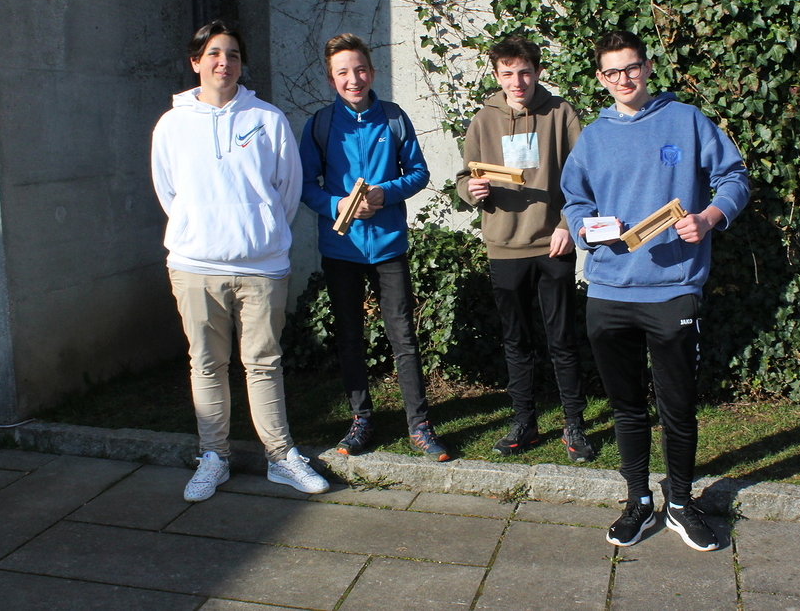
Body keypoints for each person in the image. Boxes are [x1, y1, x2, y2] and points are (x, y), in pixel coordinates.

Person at [561, 30, 749, 551]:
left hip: (673, 290)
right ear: (600, 77)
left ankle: (681, 503)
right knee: (626, 407)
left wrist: (709, 217)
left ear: (647, 68)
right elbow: (574, 201)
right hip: (608, 291)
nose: (623, 79)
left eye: (632, 67)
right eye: (612, 72)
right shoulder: (593, 136)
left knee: (678, 406)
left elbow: (734, 178)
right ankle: (639, 500)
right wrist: (586, 228)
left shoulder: (686, 121)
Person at [151, 20, 329, 502]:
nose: (223, 62)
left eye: (232, 54)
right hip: (195, 265)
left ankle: (281, 457)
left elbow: (286, 190)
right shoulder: (172, 125)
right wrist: (201, 230)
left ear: (241, 63)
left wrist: (258, 233)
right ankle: (214, 456)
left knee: (263, 363)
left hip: (261, 267)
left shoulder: (267, 119)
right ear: (196, 61)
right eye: (213, 53)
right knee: (207, 363)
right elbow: (169, 192)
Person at [299, 34, 449, 461]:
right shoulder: (320, 125)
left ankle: (419, 424)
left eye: (360, 69)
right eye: (343, 72)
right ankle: (361, 419)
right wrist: (336, 204)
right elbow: (305, 185)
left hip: (388, 247)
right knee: (350, 338)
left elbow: (418, 173)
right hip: (341, 249)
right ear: (331, 79)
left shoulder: (394, 118)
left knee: (404, 337)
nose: (354, 79)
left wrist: (385, 192)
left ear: (373, 72)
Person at [456, 35, 593, 462]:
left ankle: (574, 424)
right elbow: (464, 177)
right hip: (504, 246)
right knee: (516, 341)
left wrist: (568, 225)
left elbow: (583, 177)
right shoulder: (483, 121)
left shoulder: (561, 114)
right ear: (497, 76)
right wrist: (471, 191)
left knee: (562, 339)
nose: (517, 82)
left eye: (525, 72)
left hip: (553, 244)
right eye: (508, 74)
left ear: (537, 72)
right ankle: (524, 422)